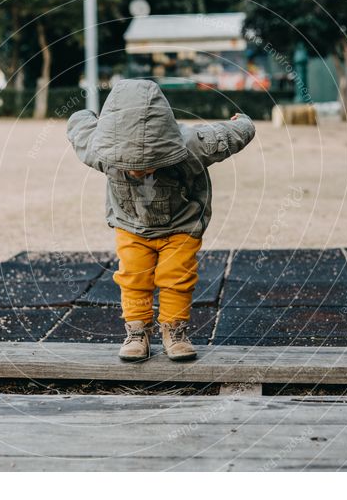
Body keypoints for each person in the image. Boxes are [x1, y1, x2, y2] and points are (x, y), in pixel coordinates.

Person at [66, 79, 256, 361]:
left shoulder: (190, 146)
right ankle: (137, 331)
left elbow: (227, 137)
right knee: (133, 276)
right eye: (131, 165)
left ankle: (174, 330)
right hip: (131, 225)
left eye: (148, 162)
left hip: (180, 225)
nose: (139, 170)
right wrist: (83, 116)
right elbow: (80, 130)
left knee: (176, 277)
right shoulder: (102, 149)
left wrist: (244, 123)